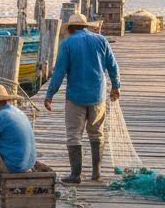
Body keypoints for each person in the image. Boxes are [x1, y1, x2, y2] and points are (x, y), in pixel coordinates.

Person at [44, 13, 121, 183]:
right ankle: (97, 173)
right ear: (85, 26)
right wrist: (116, 86)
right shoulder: (101, 40)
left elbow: (59, 73)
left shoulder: (67, 44)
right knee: (97, 134)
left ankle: (76, 175)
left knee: (74, 135)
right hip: (97, 96)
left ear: (70, 29)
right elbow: (113, 66)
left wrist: (50, 95)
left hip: (75, 97)